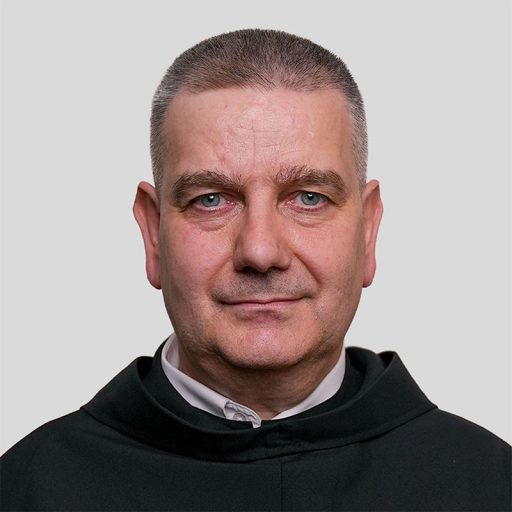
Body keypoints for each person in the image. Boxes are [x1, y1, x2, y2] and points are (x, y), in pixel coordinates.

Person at [1, 29, 510, 512]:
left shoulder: (491, 485)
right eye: (211, 200)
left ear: (367, 230)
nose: (261, 251)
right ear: (153, 234)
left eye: (308, 198)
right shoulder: (26, 489)